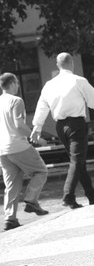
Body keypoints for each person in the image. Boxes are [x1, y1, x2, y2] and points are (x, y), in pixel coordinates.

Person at [31, 53, 94, 209]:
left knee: (77, 161)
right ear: (72, 63)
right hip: (76, 125)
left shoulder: (49, 85)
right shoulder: (78, 81)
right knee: (76, 161)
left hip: (60, 127)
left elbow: (42, 106)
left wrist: (37, 126)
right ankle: (68, 195)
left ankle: (90, 193)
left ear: (57, 64)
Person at [0, 73, 49, 231]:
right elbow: (19, 125)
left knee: (12, 185)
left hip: (2, 150)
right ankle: (31, 200)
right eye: (17, 83)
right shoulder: (16, 101)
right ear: (13, 83)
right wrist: (36, 138)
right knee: (41, 171)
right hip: (18, 145)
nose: (18, 86)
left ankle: (10, 218)